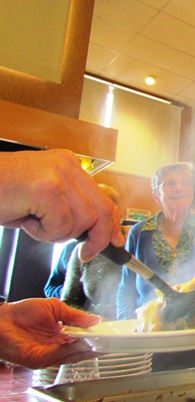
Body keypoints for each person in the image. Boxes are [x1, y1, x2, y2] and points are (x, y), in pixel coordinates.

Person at [0, 149, 125, 369]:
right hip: (94, 337)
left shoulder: (135, 244)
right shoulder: (77, 252)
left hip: (132, 345)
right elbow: (65, 295)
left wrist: (5, 322)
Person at [116, 162, 195, 371]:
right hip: (151, 339)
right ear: (156, 195)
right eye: (170, 184)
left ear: (192, 191)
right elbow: (126, 287)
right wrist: (130, 326)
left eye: (185, 183)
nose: (179, 188)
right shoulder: (139, 232)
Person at [61, 184, 123, 320]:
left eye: (107, 210)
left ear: (119, 212)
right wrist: (92, 319)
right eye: (93, 210)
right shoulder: (81, 252)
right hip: (96, 331)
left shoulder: (136, 242)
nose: (101, 217)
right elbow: (69, 302)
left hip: (134, 330)